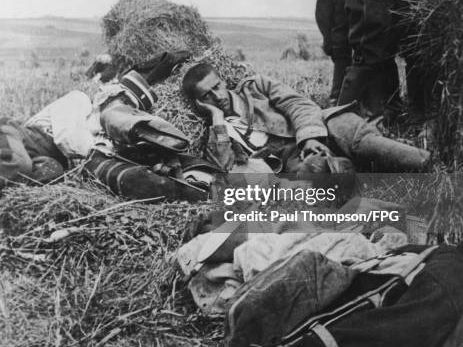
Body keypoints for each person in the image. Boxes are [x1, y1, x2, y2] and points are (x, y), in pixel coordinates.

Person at [181, 62, 430, 177]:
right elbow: (224, 167)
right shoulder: (218, 131)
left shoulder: (256, 86)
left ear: (224, 82)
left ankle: (428, 163)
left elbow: (298, 105)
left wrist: (309, 138)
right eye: (207, 96)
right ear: (200, 103)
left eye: (217, 87)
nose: (217, 96)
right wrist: (216, 118)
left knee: (363, 144)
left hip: (323, 127)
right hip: (293, 160)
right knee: (311, 177)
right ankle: (345, 169)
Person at [0, 70, 211, 200]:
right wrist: (104, 154)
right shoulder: (80, 100)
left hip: (43, 158)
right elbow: (67, 138)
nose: (125, 111)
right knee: (18, 164)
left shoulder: (106, 137)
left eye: (132, 109)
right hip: (17, 137)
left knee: (50, 175)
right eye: (125, 103)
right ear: (107, 97)